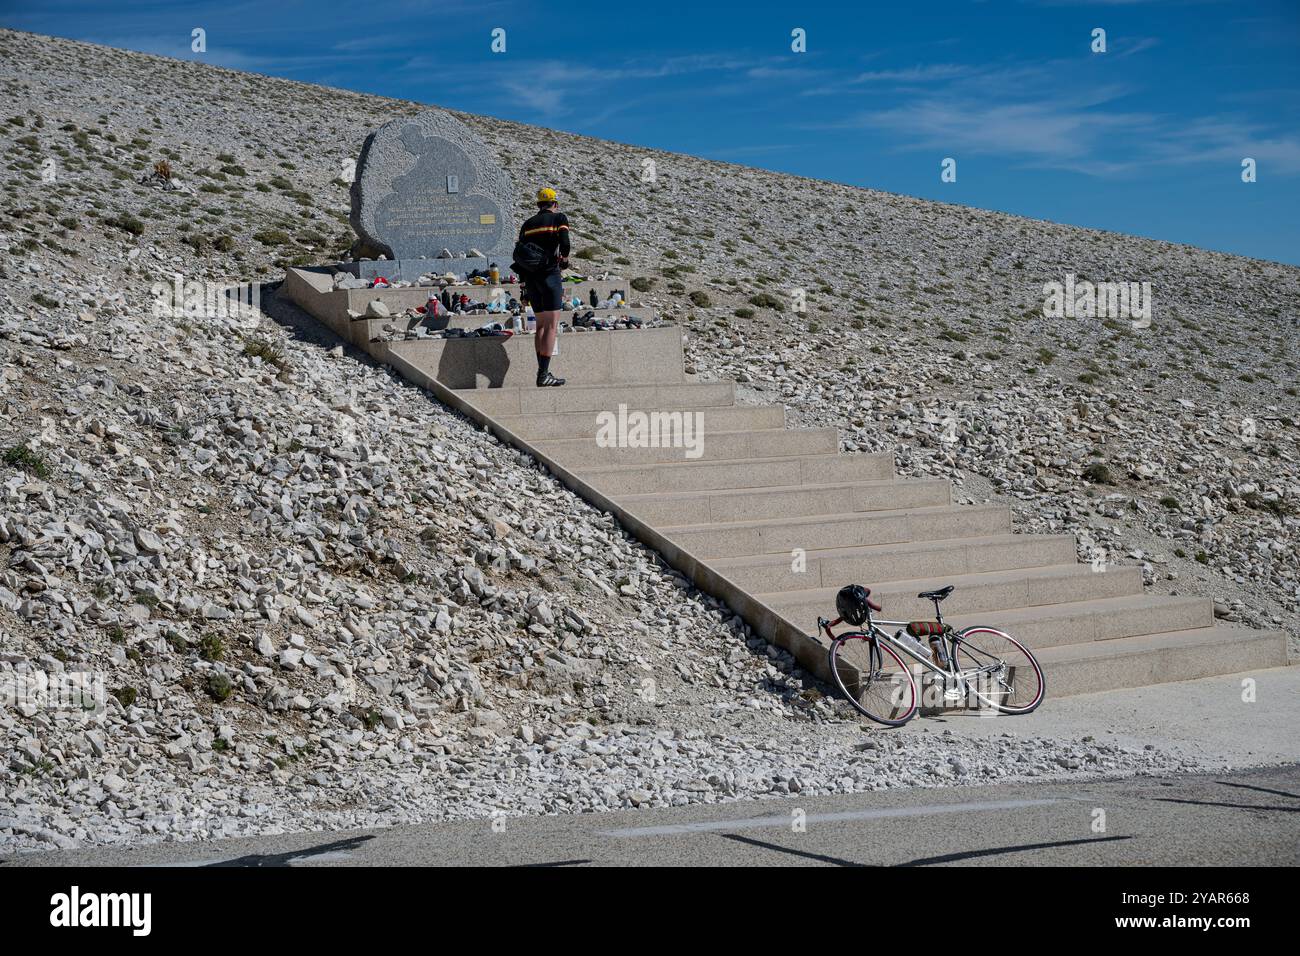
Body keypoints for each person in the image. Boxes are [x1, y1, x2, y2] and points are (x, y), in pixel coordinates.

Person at [517, 187, 570, 386]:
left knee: (540, 325)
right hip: (549, 275)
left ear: (538, 205)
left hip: (531, 279)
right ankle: (543, 374)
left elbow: (521, 254)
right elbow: (565, 243)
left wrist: (523, 287)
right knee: (551, 326)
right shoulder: (559, 218)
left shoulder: (527, 224)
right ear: (555, 204)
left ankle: (542, 371)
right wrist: (563, 259)